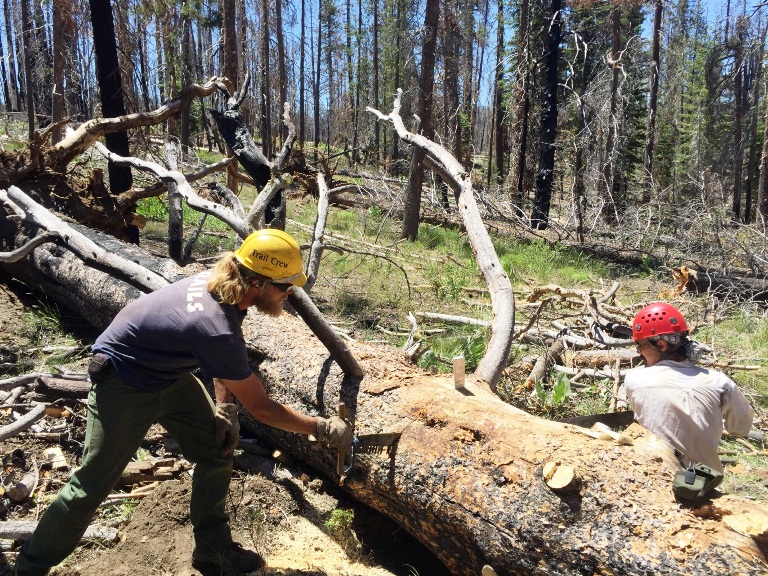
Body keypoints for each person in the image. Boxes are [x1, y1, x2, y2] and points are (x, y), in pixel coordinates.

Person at [14, 228, 353, 575]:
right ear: (260, 283)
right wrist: (321, 427)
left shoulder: (225, 285)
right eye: (285, 286)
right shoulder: (214, 321)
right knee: (91, 486)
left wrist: (224, 410)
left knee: (217, 450)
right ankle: (27, 568)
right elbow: (262, 408)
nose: (288, 294)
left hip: (169, 376)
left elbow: (219, 359)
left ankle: (212, 549)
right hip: (123, 380)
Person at [624, 302, 754, 475]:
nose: (640, 352)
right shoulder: (720, 383)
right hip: (705, 481)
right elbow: (740, 428)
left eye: (640, 346)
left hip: (654, 477)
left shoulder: (634, 379)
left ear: (661, 345)